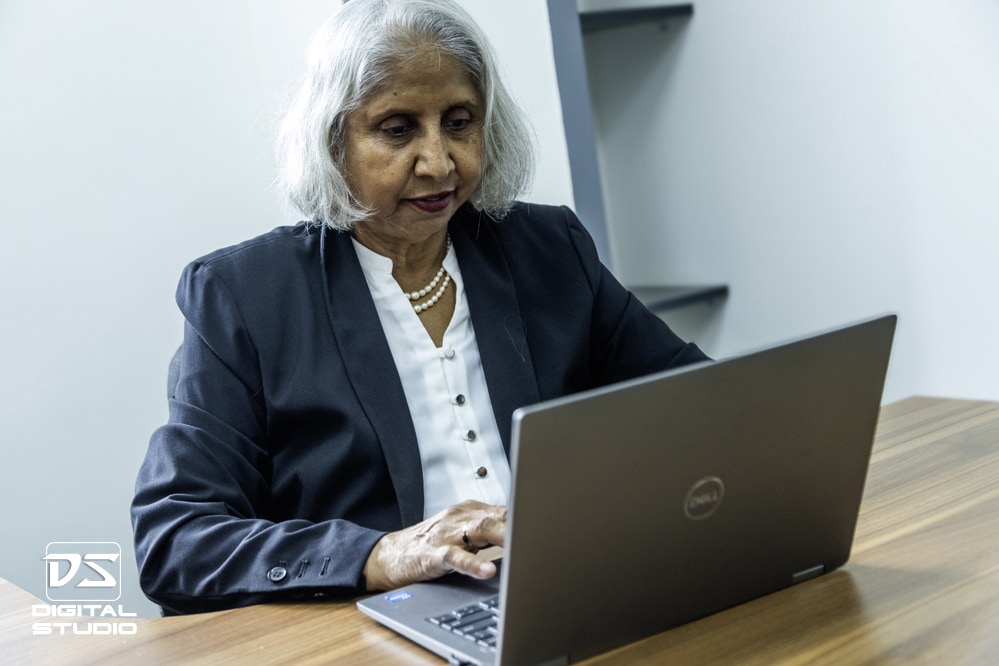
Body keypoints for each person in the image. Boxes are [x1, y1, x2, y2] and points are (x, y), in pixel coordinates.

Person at [131, 0, 708, 615]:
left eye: (459, 122)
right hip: (371, 628)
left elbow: (702, 406)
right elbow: (176, 539)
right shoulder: (243, 296)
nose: (438, 163)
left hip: (569, 589)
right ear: (334, 141)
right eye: (398, 129)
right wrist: (378, 556)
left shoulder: (550, 250)